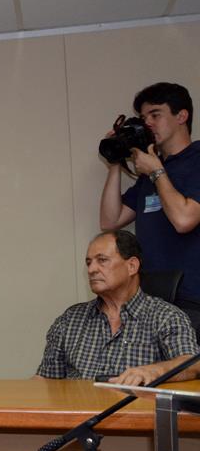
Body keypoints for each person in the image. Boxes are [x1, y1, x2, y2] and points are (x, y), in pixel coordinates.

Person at [35, 230, 198, 385]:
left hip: (136, 405)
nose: (91, 270)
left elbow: (193, 364)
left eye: (102, 260)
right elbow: (45, 381)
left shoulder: (166, 316)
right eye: (88, 262)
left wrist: (154, 371)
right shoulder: (70, 319)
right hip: (79, 405)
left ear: (132, 266)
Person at [100, 82, 200, 330]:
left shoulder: (195, 160)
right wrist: (115, 162)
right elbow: (110, 220)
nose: (148, 124)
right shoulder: (151, 172)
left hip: (192, 299)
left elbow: (184, 220)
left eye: (156, 115)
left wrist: (156, 171)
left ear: (181, 116)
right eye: (144, 118)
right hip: (152, 299)